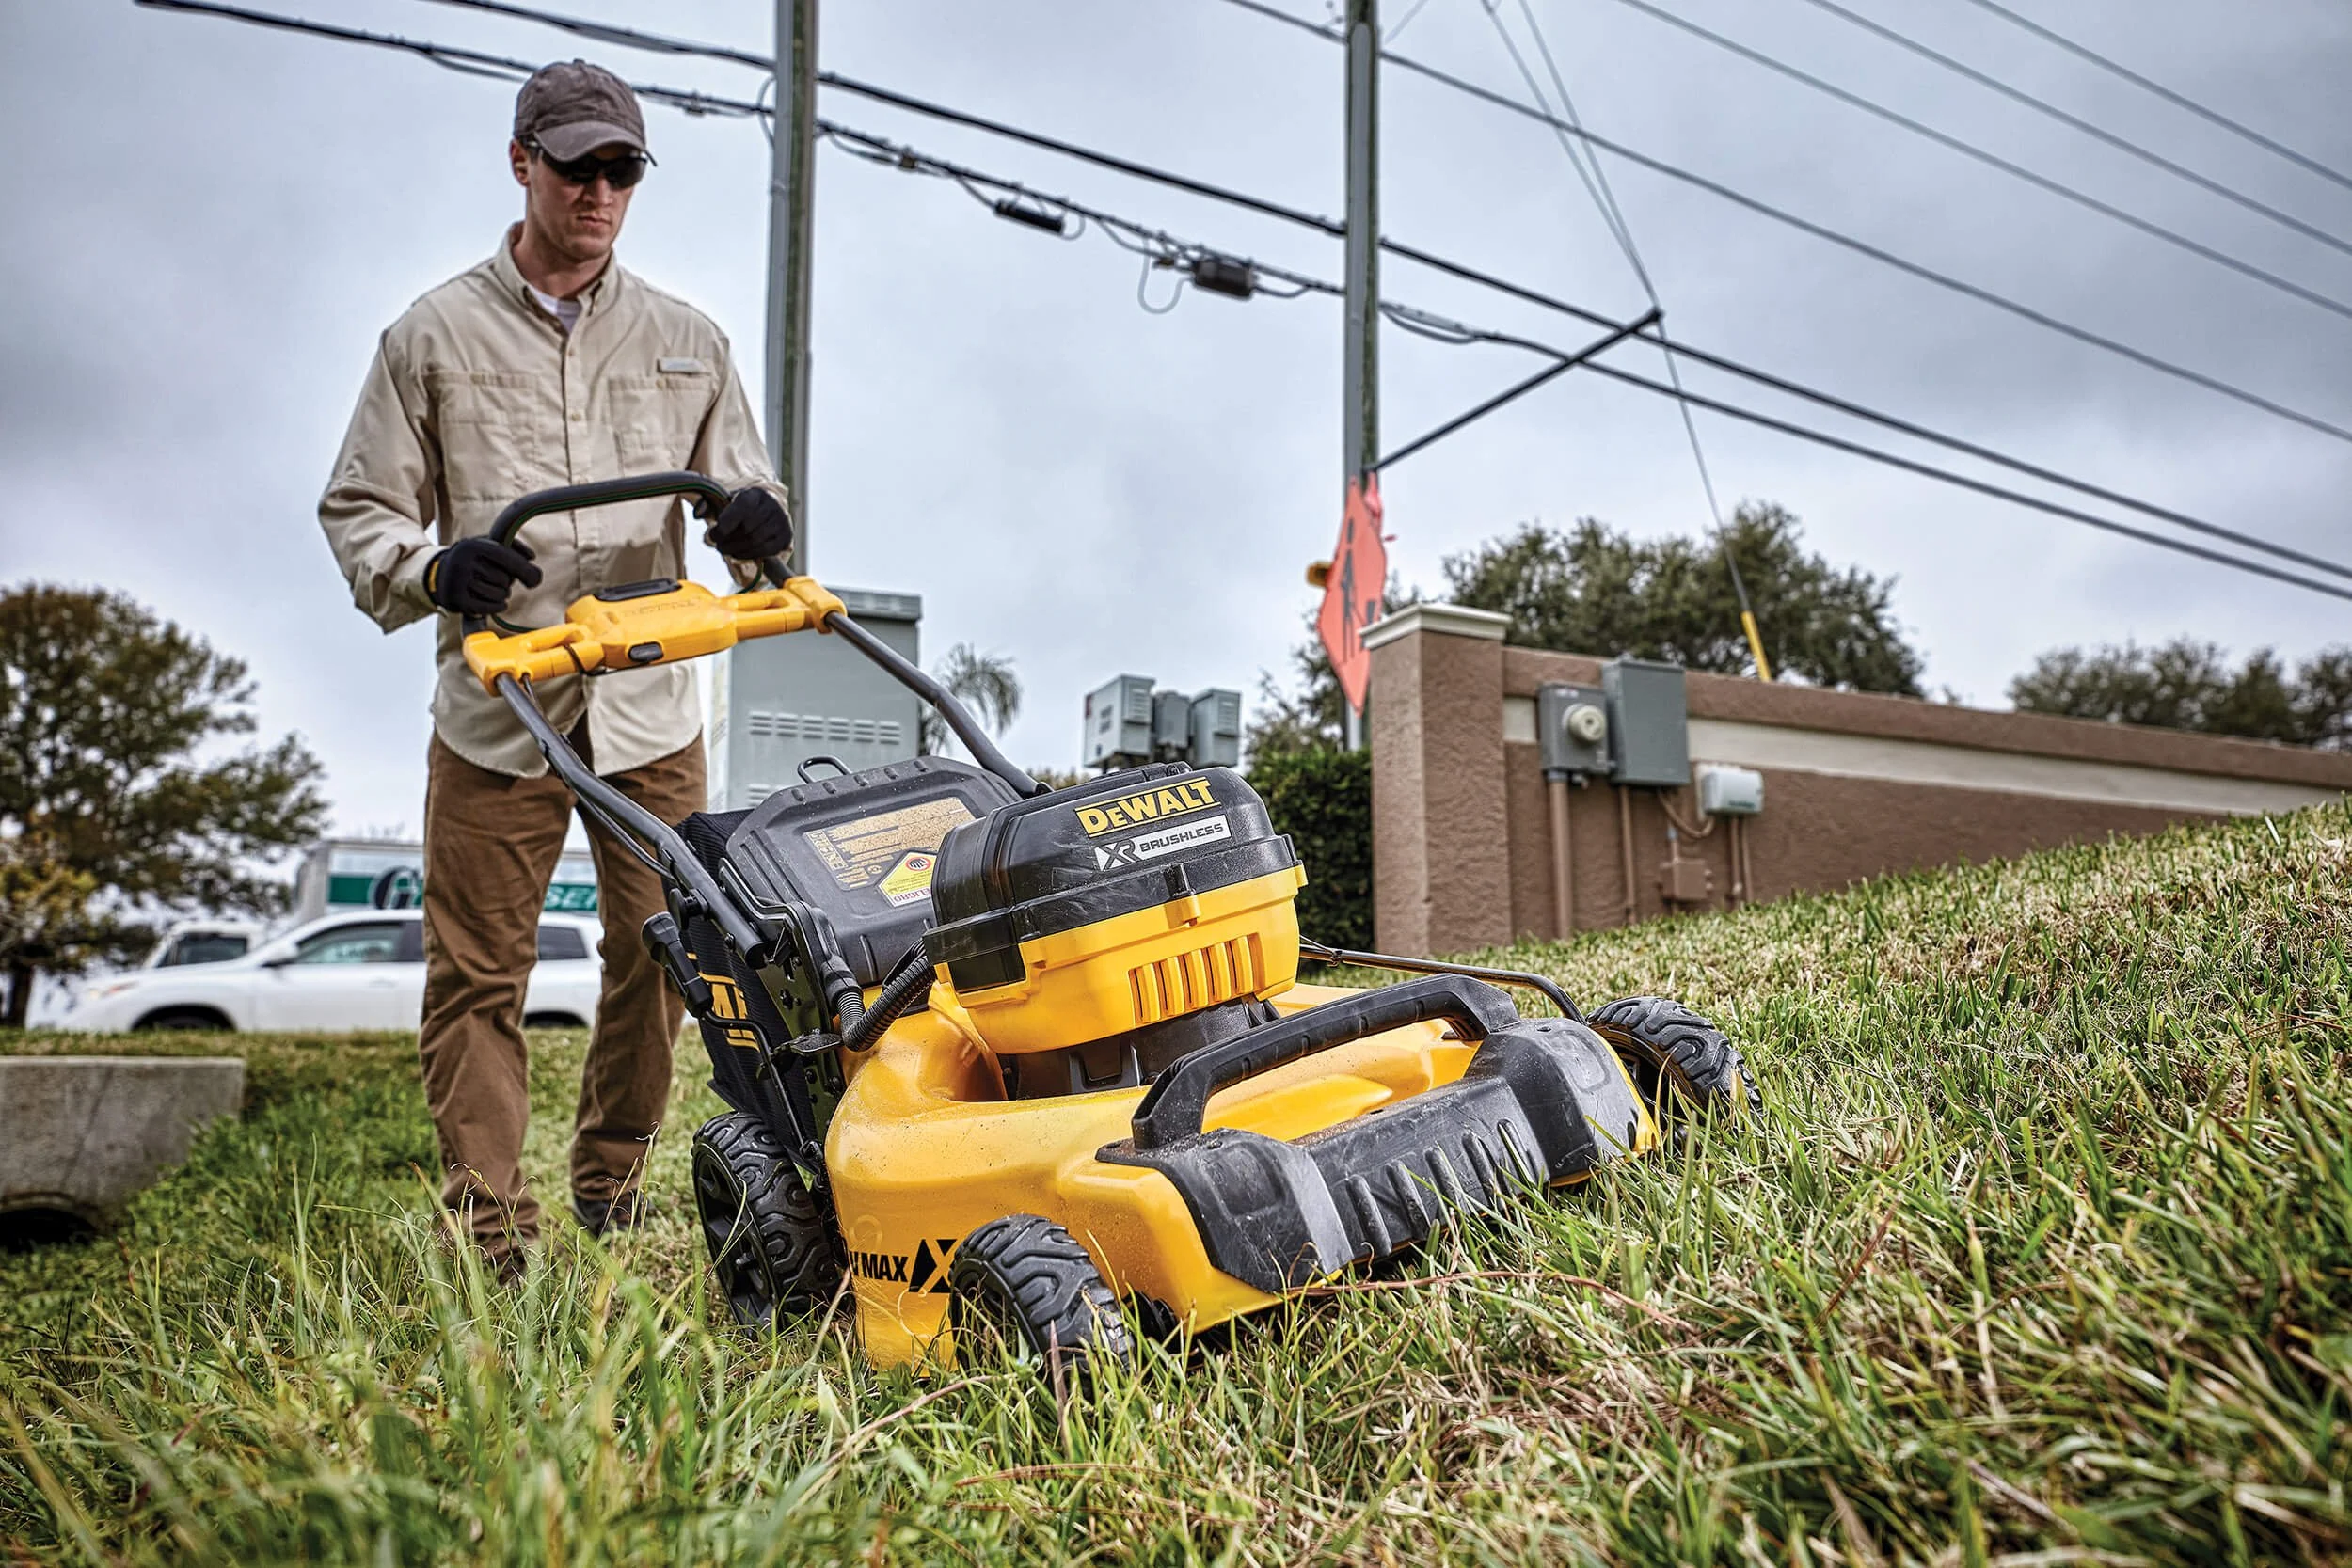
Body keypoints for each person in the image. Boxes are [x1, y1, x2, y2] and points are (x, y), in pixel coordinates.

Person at [318, 60, 794, 1274]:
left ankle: (611, 1179)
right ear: (521, 161)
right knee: (479, 975)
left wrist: (754, 527)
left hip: (647, 708)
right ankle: (491, 1226)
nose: (597, 191)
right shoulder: (429, 336)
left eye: (620, 170)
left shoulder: (690, 343)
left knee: (669, 957)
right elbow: (363, 508)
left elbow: (754, 495)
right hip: (502, 711)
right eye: (575, 165)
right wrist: (434, 570)